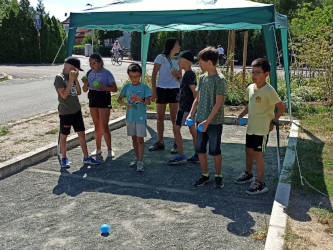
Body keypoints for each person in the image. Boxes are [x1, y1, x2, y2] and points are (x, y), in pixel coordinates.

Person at [235, 58, 285, 195]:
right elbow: (250, 105)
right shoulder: (250, 88)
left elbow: (281, 108)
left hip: (262, 129)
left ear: (266, 74)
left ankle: (261, 183)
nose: (254, 75)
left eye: (258, 72)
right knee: (248, 151)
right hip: (251, 127)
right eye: (253, 72)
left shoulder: (269, 91)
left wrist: (273, 122)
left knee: (258, 155)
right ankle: (248, 174)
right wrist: (241, 114)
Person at [187, 47, 227, 189]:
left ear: (209, 62)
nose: (199, 65)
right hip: (200, 120)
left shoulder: (220, 80)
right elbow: (197, 99)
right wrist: (191, 114)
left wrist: (207, 121)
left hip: (214, 122)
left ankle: (218, 176)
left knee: (215, 150)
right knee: (200, 149)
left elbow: (218, 104)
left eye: (201, 62)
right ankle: (205, 175)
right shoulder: (202, 78)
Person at [54, 57, 100, 168]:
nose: (76, 70)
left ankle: (86, 157)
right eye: (75, 68)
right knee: (64, 135)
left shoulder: (73, 77)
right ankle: (64, 158)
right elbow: (64, 95)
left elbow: (79, 92)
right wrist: (70, 80)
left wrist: (75, 80)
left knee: (81, 134)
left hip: (76, 110)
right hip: (66, 111)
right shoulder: (59, 78)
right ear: (68, 65)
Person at [81, 54, 118, 161]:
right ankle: (98, 149)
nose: (92, 66)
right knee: (97, 125)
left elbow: (114, 89)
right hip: (93, 97)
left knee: (104, 125)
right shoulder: (89, 73)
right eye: (90, 64)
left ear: (100, 63)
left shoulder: (107, 73)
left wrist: (102, 87)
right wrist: (85, 84)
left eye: (94, 63)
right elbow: (84, 90)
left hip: (103, 97)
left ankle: (110, 149)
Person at [117, 63, 152, 172]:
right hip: (130, 117)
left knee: (140, 140)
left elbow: (149, 102)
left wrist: (140, 99)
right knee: (133, 139)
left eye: (136, 76)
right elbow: (119, 100)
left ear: (140, 75)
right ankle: (137, 158)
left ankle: (140, 161)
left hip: (140, 118)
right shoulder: (127, 87)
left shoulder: (144, 87)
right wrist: (126, 104)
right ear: (128, 75)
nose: (134, 79)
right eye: (131, 76)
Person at [149, 38, 182, 153]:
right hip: (161, 90)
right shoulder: (160, 57)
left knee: (174, 119)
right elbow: (153, 76)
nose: (179, 47)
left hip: (174, 90)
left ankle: (176, 143)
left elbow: (180, 79)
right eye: (178, 44)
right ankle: (160, 142)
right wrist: (154, 91)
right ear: (172, 46)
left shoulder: (179, 60)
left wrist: (176, 75)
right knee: (160, 118)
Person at [167, 51, 199, 165]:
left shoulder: (189, 74)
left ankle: (181, 155)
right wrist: (178, 78)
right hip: (185, 107)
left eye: (179, 59)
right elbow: (187, 87)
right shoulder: (187, 74)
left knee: (177, 129)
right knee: (192, 131)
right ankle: (197, 154)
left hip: (186, 108)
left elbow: (195, 93)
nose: (178, 62)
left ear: (187, 61)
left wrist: (192, 110)